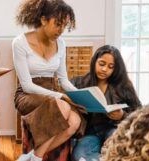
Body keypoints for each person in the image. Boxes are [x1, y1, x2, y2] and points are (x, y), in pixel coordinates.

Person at [12, 0, 86, 160]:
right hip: (28, 93)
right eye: (57, 24)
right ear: (43, 19)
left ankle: (33, 156)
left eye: (64, 26)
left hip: (52, 91)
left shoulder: (61, 43)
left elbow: (64, 81)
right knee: (63, 107)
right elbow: (26, 85)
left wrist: (83, 95)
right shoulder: (19, 43)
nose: (61, 30)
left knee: (75, 121)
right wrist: (59, 96)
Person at [71, 45, 142, 161]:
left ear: (116, 69)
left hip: (114, 128)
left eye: (111, 67)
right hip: (91, 132)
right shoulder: (80, 82)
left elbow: (139, 114)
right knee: (79, 156)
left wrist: (122, 115)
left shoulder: (124, 85)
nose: (104, 69)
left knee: (115, 151)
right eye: (102, 64)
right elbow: (65, 95)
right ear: (95, 61)